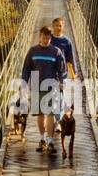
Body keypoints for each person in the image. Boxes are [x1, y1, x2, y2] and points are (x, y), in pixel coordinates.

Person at [21, 25, 65, 155]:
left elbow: (62, 70)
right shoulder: (32, 51)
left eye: (48, 38)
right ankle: (42, 139)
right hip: (35, 86)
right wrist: (23, 84)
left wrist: (62, 83)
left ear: (50, 38)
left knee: (50, 114)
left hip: (51, 87)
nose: (46, 40)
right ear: (39, 37)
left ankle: (51, 141)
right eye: (43, 37)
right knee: (40, 115)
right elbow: (26, 69)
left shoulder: (56, 52)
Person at [50, 16, 76, 123]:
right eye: (56, 25)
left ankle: (58, 122)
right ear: (53, 26)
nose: (58, 28)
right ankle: (54, 119)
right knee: (52, 98)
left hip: (63, 74)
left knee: (60, 98)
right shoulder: (49, 39)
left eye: (60, 26)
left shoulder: (67, 42)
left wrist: (74, 73)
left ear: (63, 27)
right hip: (49, 73)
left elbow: (71, 58)